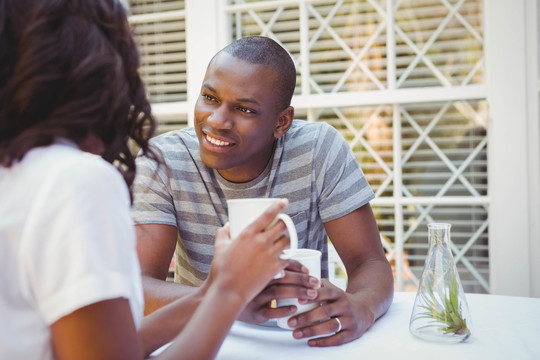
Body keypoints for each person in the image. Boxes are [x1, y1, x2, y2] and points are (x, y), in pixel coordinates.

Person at [0, 1, 291, 359]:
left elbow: (103, 346)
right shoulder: (72, 181)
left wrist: (211, 294)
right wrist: (230, 292)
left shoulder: (17, 172)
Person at [132, 35, 394, 347]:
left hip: (298, 340)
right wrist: (231, 301)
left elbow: (370, 262)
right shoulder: (163, 161)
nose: (216, 121)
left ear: (282, 122)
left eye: (243, 109)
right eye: (210, 98)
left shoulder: (318, 150)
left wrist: (362, 307)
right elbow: (139, 287)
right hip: (199, 340)